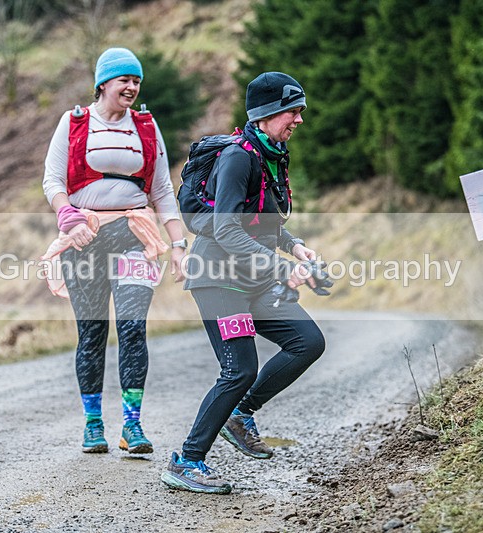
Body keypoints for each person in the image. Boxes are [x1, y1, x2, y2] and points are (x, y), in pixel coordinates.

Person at [161, 72, 325, 493]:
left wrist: (295, 247)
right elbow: (227, 229)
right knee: (239, 369)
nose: (299, 120)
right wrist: (280, 266)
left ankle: (240, 414)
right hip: (217, 280)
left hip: (251, 280)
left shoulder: (271, 153)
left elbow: (262, 220)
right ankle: (187, 462)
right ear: (269, 112)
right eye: (294, 111)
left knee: (307, 341)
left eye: (300, 111)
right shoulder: (239, 157)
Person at [42, 47, 186, 455]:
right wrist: (67, 213)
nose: (132, 87)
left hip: (134, 235)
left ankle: (132, 426)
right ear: (103, 83)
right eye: (125, 80)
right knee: (91, 334)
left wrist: (178, 244)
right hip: (85, 238)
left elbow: (161, 190)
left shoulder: (145, 125)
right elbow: (52, 181)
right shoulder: (74, 122)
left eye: (137, 81)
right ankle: (92, 424)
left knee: (132, 328)